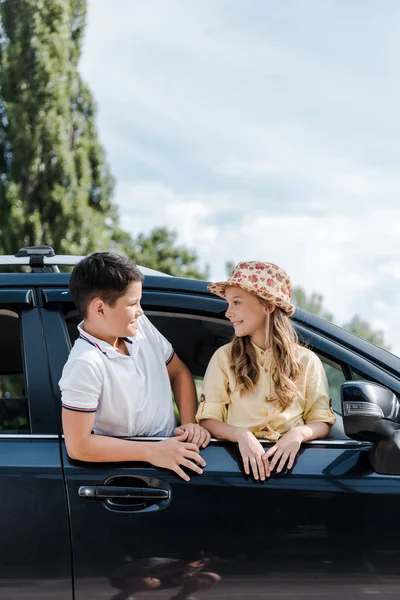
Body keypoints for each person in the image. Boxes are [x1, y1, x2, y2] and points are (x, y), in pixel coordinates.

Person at [59, 252, 210, 481]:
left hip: (170, 461)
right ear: (100, 309)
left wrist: (189, 425)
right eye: (133, 303)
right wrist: (152, 451)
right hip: (129, 479)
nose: (140, 311)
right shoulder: (85, 364)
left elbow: (179, 373)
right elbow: (78, 446)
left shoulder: (141, 327)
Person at [196, 261, 335, 481]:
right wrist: (241, 435)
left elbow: (322, 421)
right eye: (228, 304)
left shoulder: (307, 361)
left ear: (269, 306)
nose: (228, 313)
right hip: (234, 470)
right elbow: (208, 420)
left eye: (237, 303)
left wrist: (298, 434)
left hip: (295, 473)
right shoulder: (224, 357)